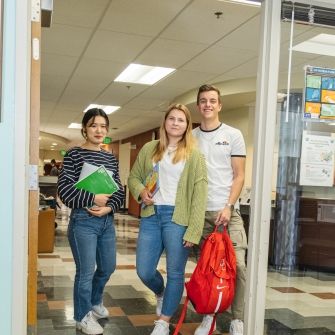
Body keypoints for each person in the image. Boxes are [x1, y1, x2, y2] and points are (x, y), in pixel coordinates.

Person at [128, 103, 208, 335]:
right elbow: (134, 177)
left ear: (187, 125)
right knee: (144, 270)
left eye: (181, 120)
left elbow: (199, 195)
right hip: (152, 216)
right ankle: (161, 292)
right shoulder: (150, 149)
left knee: (175, 273)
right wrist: (141, 191)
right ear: (165, 122)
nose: (175, 123)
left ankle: (163, 321)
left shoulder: (194, 155)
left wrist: (194, 229)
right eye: (171, 118)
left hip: (178, 217)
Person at [57, 108, 124, 335]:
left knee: (107, 267)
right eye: (94, 125)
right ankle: (82, 316)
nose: (99, 130)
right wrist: (92, 198)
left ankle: (95, 302)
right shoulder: (75, 155)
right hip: (83, 221)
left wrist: (108, 206)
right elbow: (64, 191)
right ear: (84, 128)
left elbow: (119, 192)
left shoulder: (110, 158)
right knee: (85, 272)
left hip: (106, 221)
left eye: (103, 126)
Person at [193, 84, 247, 335]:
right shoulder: (190, 138)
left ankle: (237, 319)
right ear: (198, 105)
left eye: (212, 100)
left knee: (238, 267)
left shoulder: (233, 134)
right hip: (199, 216)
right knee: (206, 272)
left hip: (227, 214)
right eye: (203, 101)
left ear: (220, 105)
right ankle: (209, 317)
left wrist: (228, 206)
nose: (208, 104)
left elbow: (239, 175)